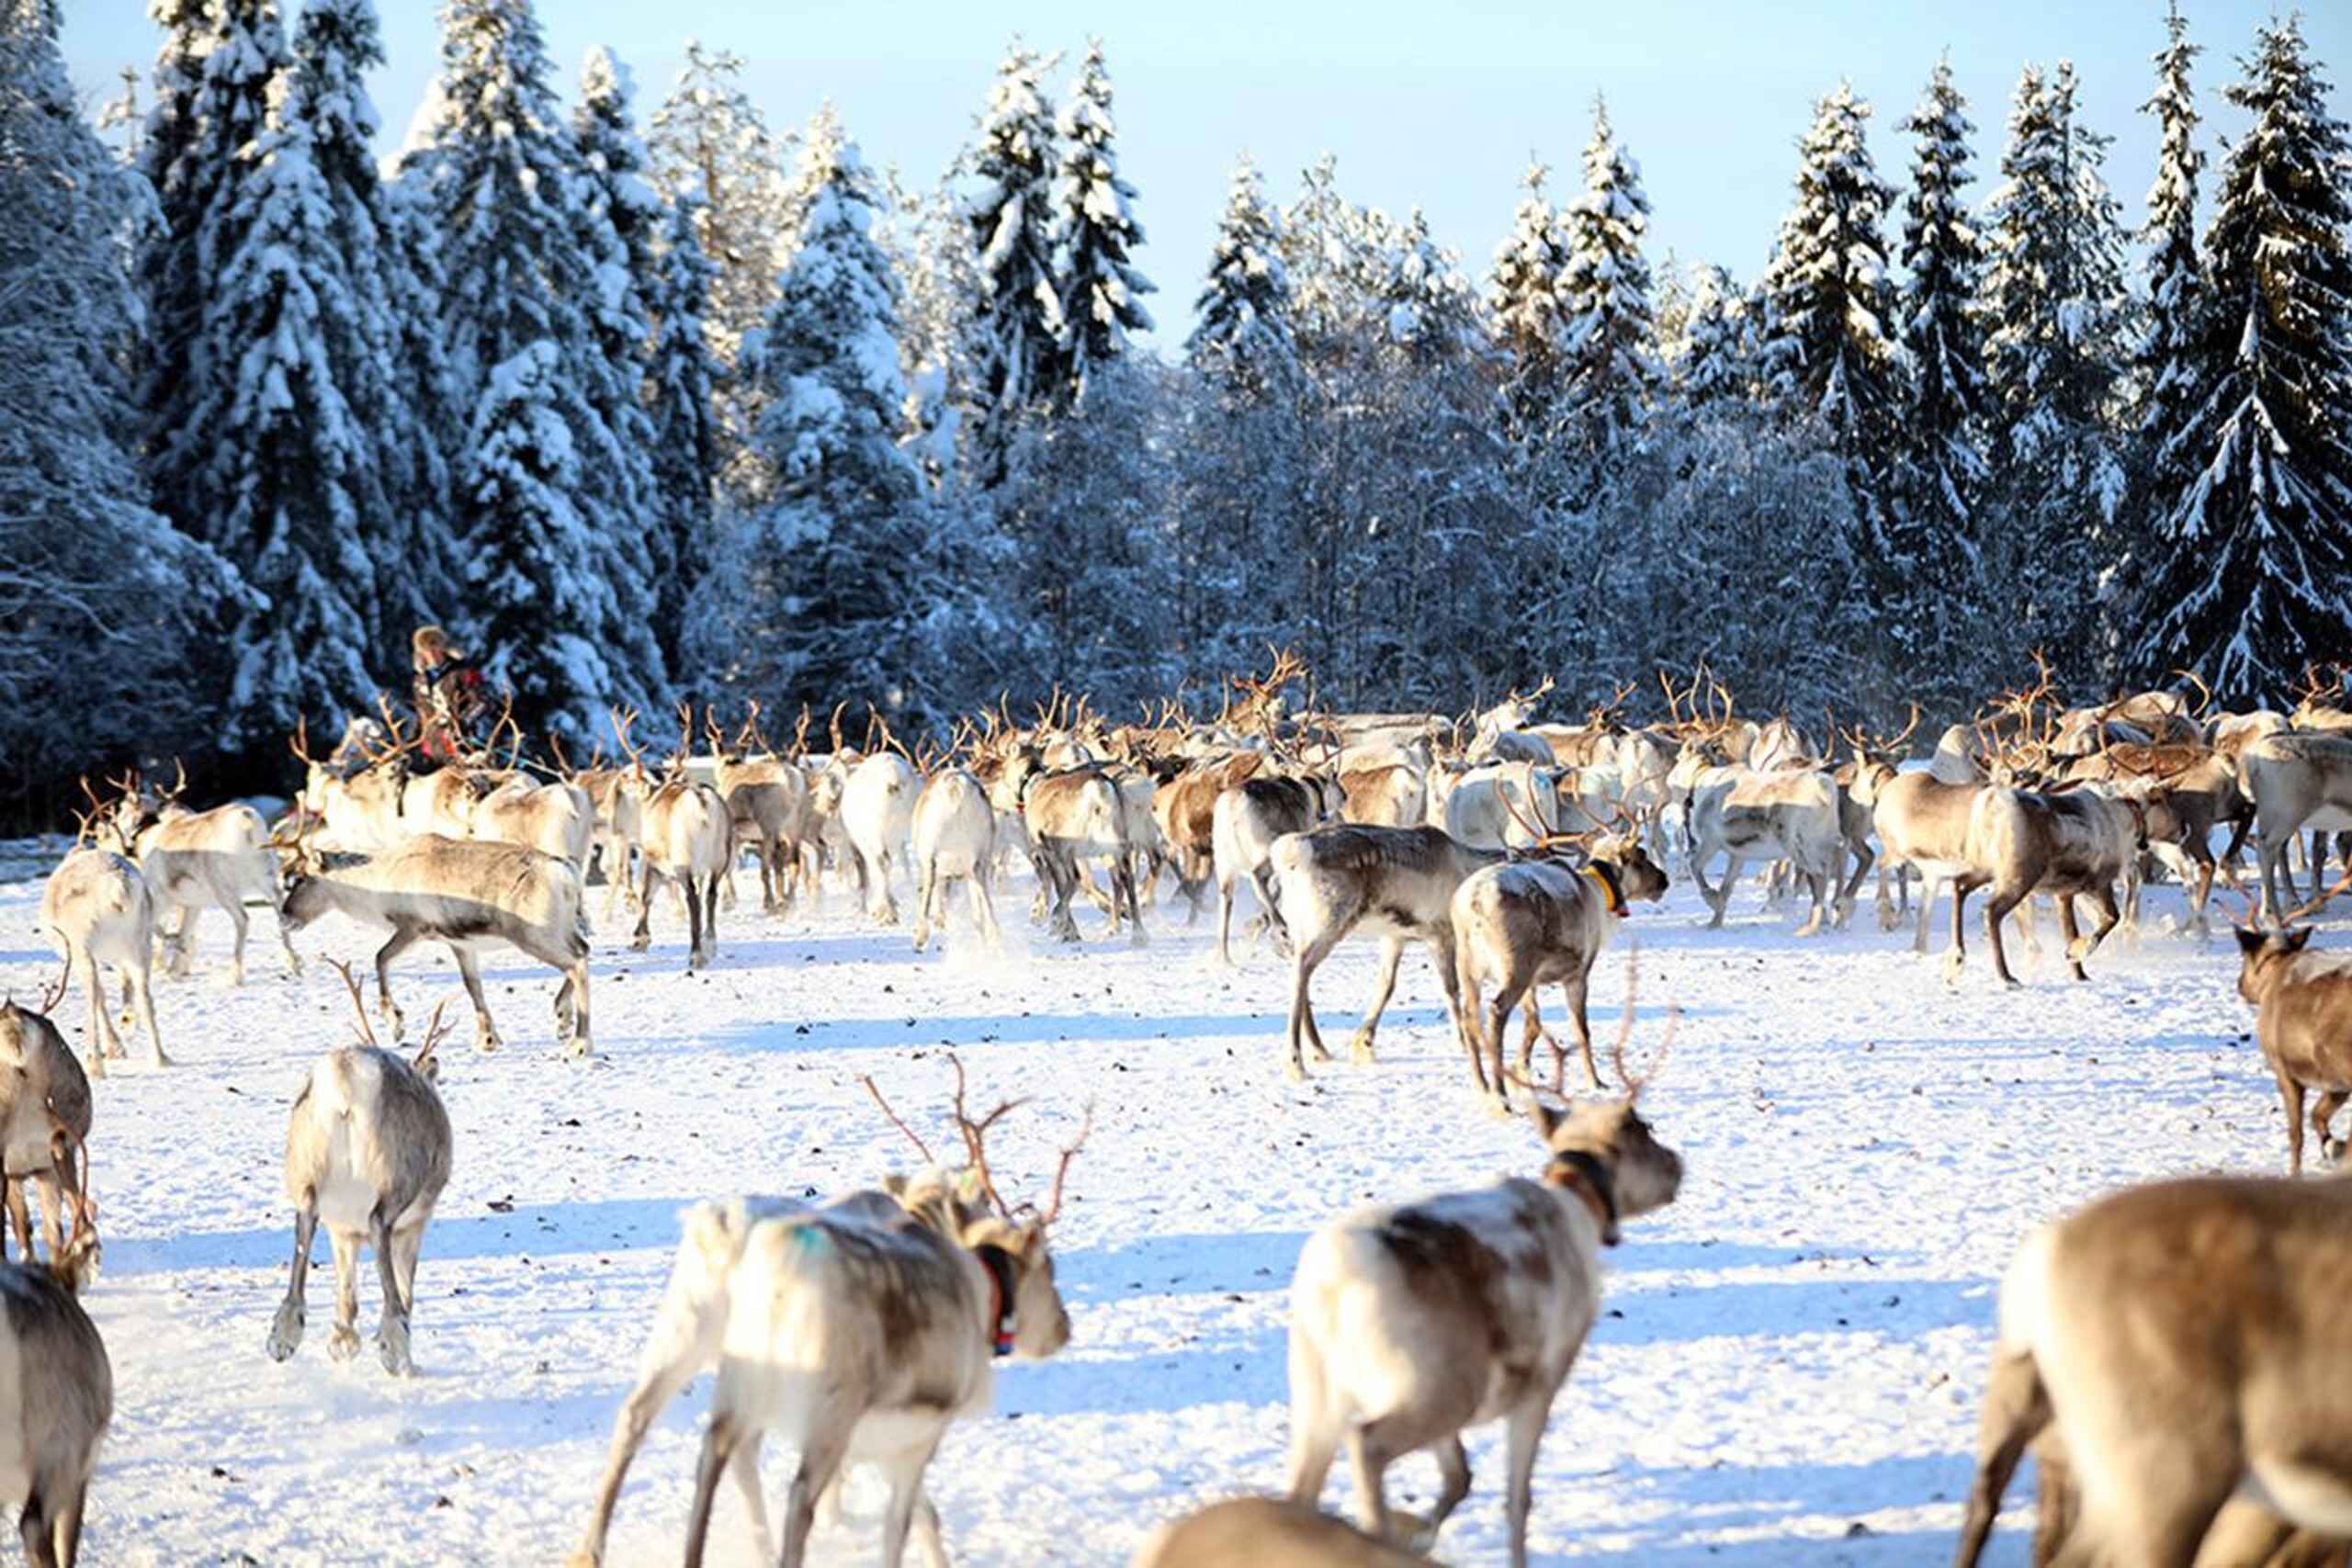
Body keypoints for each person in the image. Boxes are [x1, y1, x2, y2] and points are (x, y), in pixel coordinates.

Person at [411, 625, 485, 763]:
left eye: (435, 647)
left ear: (443, 648)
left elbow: (482, 703)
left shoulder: (463, 672)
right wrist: (412, 741)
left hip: (461, 743)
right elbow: (422, 715)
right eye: (426, 650)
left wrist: (462, 723)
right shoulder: (419, 681)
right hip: (431, 749)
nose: (432, 654)